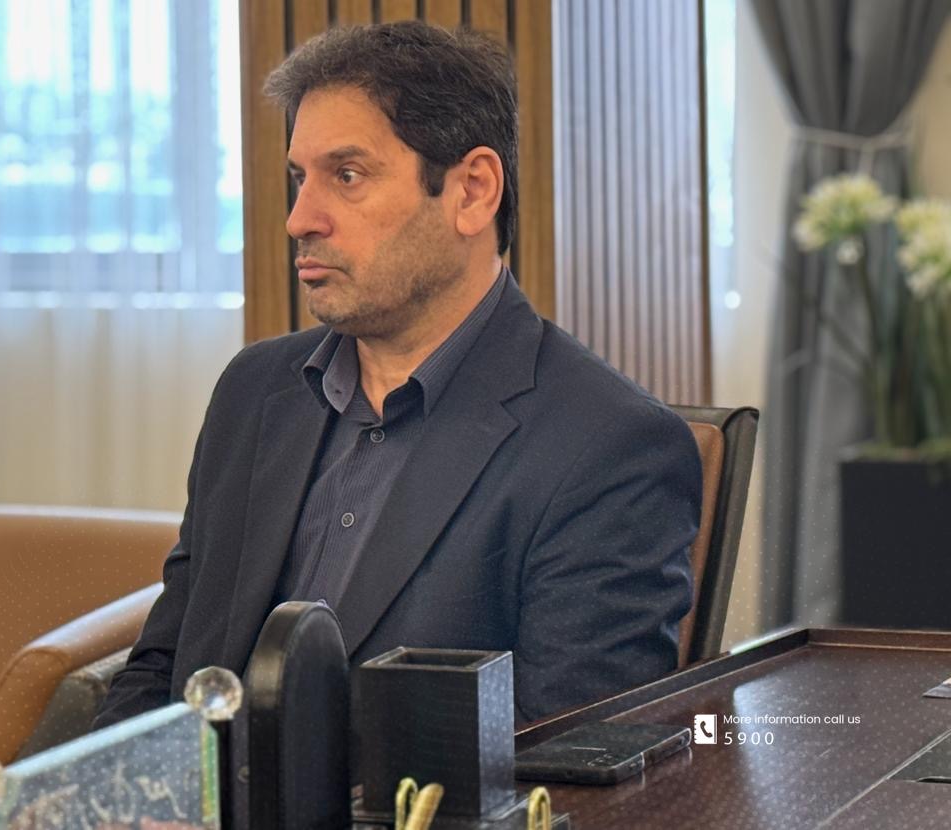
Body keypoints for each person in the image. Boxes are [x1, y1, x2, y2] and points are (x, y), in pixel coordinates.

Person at [94, 20, 699, 728]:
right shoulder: (253, 391)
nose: (299, 219)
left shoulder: (608, 447)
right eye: (300, 178)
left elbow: (562, 759)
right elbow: (165, 667)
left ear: (472, 191)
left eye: (346, 176)